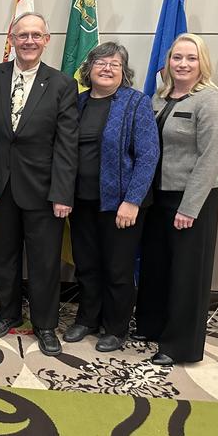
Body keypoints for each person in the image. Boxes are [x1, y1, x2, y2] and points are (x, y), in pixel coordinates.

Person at [0, 12, 78, 356]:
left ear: (46, 40)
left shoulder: (62, 84)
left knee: (44, 261)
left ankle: (45, 323)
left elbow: (67, 144)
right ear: (12, 37)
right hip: (1, 187)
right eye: (23, 35)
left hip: (44, 191)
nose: (30, 41)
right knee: (4, 258)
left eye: (37, 35)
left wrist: (63, 193)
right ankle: (7, 313)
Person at [135, 33, 218, 365]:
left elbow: (210, 159)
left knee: (187, 274)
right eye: (177, 57)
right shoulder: (159, 99)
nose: (183, 64)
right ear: (168, 62)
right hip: (158, 197)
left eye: (191, 58)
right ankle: (153, 326)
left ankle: (180, 346)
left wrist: (190, 207)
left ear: (201, 62)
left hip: (193, 199)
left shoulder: (210, 101)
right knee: (157, 266)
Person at [63, 42, 159, 351]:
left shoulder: (136, 103)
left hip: (122, 205)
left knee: (117, 269)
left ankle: (116, 328)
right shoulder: (76, 104)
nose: (107, 69)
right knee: (87, 265)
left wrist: (131, 201)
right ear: (88, 69)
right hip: (82, 201)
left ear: (124, 72)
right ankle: (88, 319)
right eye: (101, 63)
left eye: (114, 64)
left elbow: (148, 156)